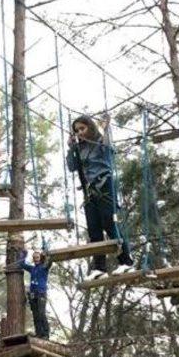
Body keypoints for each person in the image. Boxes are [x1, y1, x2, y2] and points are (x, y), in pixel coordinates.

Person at [66, 113, 134, 281]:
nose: (80, 132)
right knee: (94, 229)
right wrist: (71, 148)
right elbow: (72, 167)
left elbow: (110, 148)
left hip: (104, 185)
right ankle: (99, 268)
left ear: (90, 127)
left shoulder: (100, 142)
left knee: (110, 223)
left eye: (83, 128)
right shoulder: (80, 148)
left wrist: (106, 127)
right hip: (89, 191)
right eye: (77, 130)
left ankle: (126, 261)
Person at [19, 249, 51, 339]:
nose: (36, 259)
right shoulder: (32, 268)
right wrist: (24, 254)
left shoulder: (44, 267)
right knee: (36, 315)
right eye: (34, 258)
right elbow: (22, 264)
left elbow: (50, 261)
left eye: (37, 257)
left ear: (41, 258)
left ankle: (45, 334)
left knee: (41, 313)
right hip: (33, 295)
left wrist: (46, 252)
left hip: (41, 293)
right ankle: (39, 333)